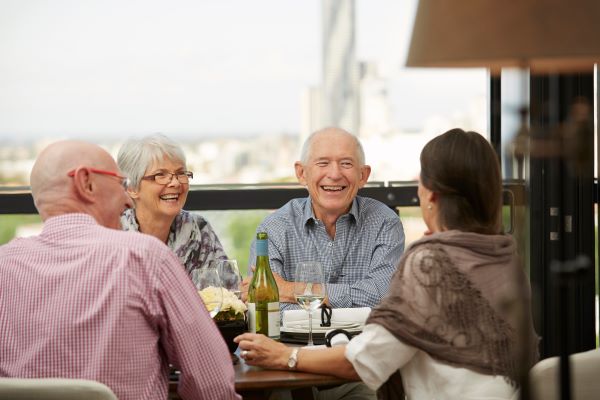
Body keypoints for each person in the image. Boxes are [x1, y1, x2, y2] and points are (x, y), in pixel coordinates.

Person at [235, 129, 539, 399]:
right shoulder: (507, 256)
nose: (334, 174)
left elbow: (364, 358)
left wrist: (286, 355)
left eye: (420, 181)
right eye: (323, 163)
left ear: (430, 195)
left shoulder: (428, 262)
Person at [0, 140, 239, 400]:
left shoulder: (4, 263)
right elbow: (213, 387)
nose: (126, 197)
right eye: (119, 182)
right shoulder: (146, 257)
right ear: (86, 183)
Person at [242, 127, 405, 313]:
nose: (335, 174)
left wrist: (289, 290)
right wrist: (350, 301)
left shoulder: (385, 223)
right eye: (323, 163)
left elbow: (385, 296)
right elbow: (267, 307)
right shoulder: (274, 228)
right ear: (302, 173)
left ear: (363, 175)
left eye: (346, 164)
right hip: (288, 342)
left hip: (361, 341)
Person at [118, 134, 227, 275]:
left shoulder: (199, 229)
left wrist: (245, 290)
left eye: (181, 173)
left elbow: (226, 288)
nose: (175, 183)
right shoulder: (114, 235)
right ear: (132, 188)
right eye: (160, 175)